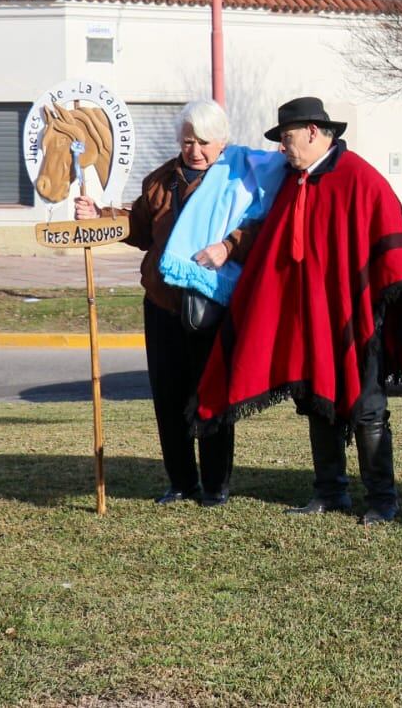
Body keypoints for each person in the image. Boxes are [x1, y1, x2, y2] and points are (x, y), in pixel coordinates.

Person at [193, 97, 402, 526]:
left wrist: (375, 309)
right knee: (316, 402)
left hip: (358, 320)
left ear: (312, 131)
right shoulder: (293, 183)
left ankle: (383, 500)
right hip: (308, 321)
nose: (282, 148)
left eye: (286, 138)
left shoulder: (357, 178)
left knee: (366, 408)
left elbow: (391, 237)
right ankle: (330, 492)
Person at [74, 99, 249, 507]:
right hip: (163, 306)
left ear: (221, 142)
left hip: (212, 304)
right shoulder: (159, 181)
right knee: (168, 396)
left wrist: (229, 246)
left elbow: (254, 227)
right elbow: (137, 229)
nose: (195, 150)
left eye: (204, 142)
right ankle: (181, 481)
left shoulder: (235, 181)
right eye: (188, 141)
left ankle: (215, 485)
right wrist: (98, 215)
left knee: (211, 395)